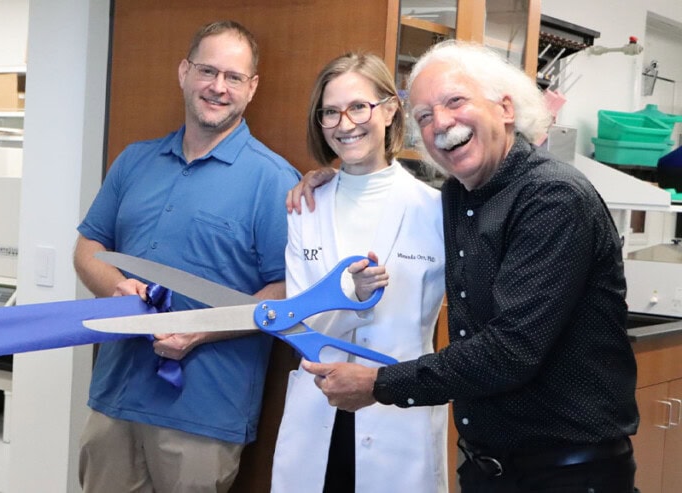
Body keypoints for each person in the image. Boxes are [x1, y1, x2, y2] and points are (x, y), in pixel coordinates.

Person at [289, 39, 639, 492]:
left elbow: (510, 350)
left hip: (566, 472)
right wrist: (327, 179)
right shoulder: (459, 197)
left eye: (455, 101)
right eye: (425, 116)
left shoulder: (551, 197)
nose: (441, 123)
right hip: (488, 466)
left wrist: (380, 383)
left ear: (506, 108)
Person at [74, 20, 299, 493]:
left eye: (234, 77)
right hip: (114, 397)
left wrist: (200, 330)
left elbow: (287, 292)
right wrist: (115, 288)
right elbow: (88, 248)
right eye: (207, 71)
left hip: (205, 413)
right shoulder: (134, 161)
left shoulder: (273, 180)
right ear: (184, 72)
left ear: (252, 87)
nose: (218, 87)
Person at [270, 53, 447, 493]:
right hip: (316, 413)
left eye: (358, 107)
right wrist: (350, 297)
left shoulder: (435, 211)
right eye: (330, 112)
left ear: (389, 110)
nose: (344, 123)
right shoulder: (305, 207)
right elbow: (296, 324)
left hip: (398, 420)